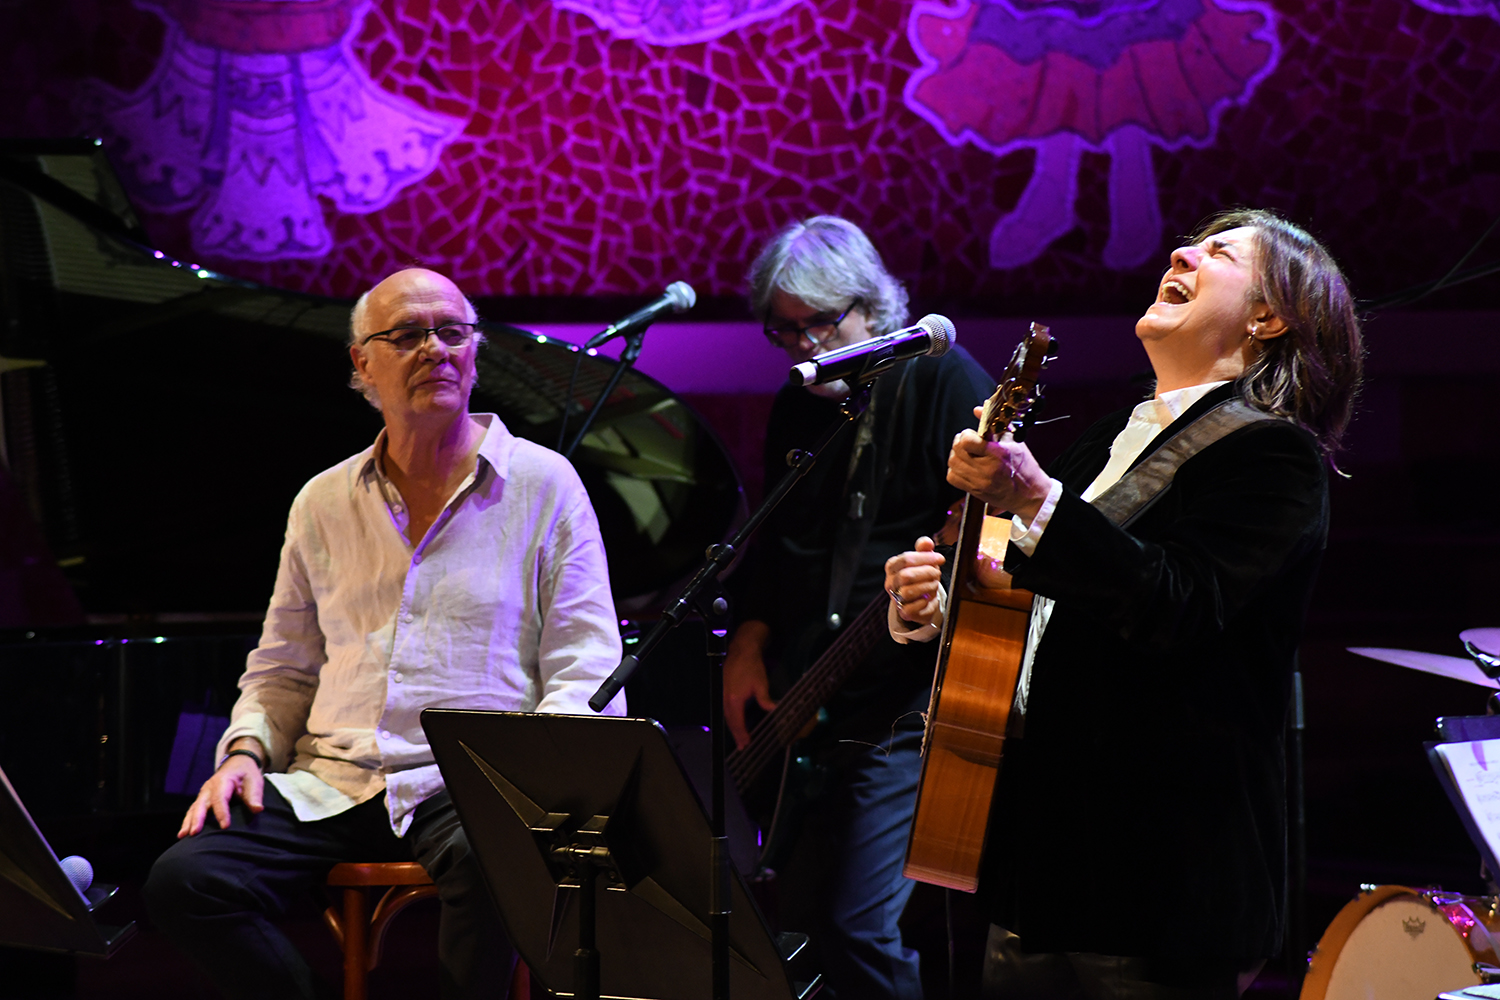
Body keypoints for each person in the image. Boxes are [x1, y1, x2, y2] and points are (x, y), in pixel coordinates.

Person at [885, 209, 1363, 999]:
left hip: (1156, 881)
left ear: (1267, 318)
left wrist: (1036, 499)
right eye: (1190, 244)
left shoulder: (1274, 456)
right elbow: (1035, 608)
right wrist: (936, 610)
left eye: (1218, 253)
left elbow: (1179, 604)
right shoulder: (1104, 438)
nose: (1180, 253)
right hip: (1037, 865)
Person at [143, 268, 626, 1000]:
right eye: (406, 335)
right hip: (332, 780)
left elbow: (586, 663)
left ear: (474, 351)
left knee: (500, 859)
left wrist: (535, 775)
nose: (435, 349)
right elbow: (283, 667)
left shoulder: (545, 483)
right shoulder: (322, 500)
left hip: (469, 780)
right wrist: (244, 751)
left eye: (452, 332)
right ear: (362, 363)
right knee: (184, 880)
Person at [724, 216, 993, 999]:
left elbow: (994, 534)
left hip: (908, 702)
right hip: (810, 693)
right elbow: (780, 546)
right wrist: (747, 640)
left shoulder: (945, 380)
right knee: (798, 934)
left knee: (859, 928)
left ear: (872, 309)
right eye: (784, 331)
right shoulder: (800, 402)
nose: (803, 346)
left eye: (820, 323)